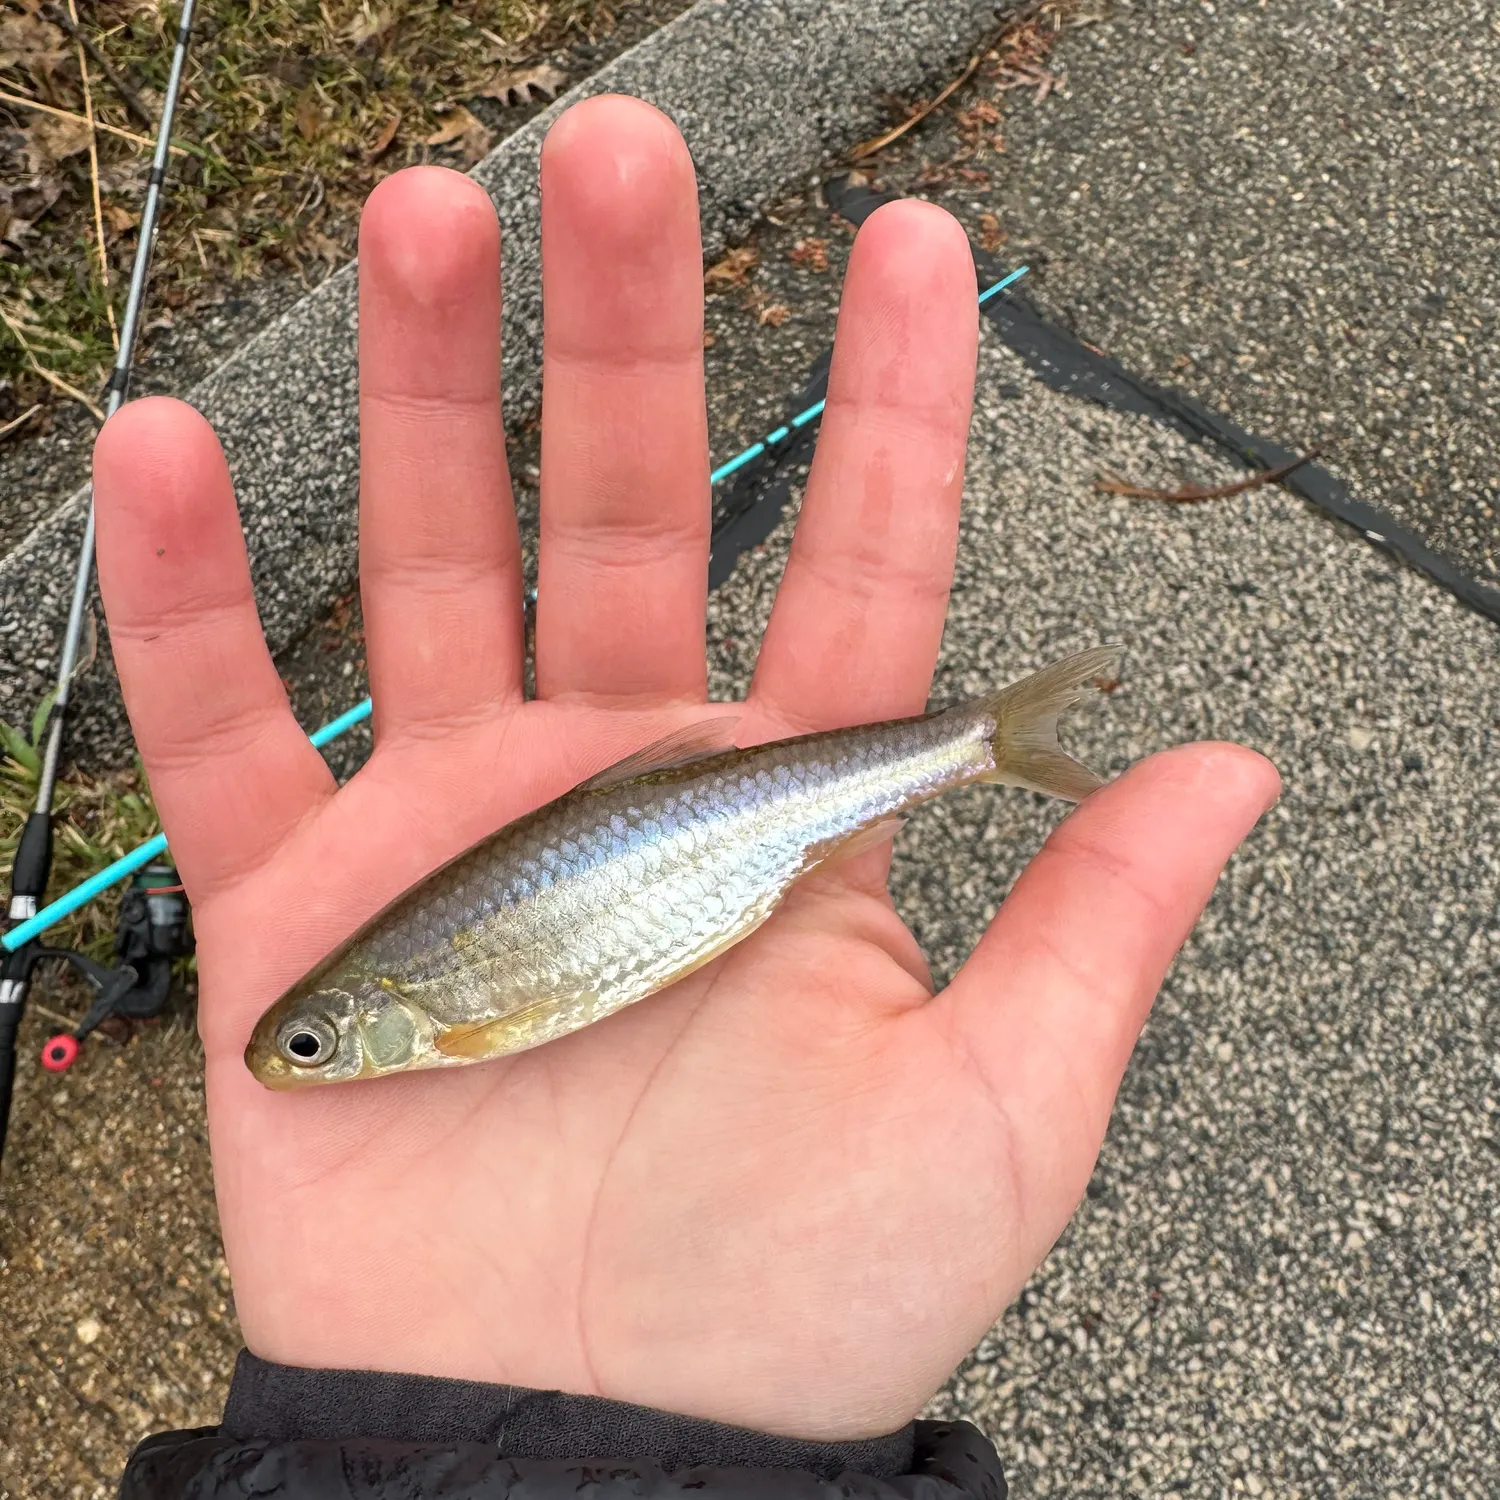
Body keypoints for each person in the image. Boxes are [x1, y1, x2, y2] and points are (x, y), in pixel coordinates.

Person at [95, 96, 1277, 1499]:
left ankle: (977, 741)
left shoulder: (438, 1020)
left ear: (364, 1017)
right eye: (310, 1047)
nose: (309, 1064)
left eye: (314, 1046)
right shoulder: (420, 1020)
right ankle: (976, 740)